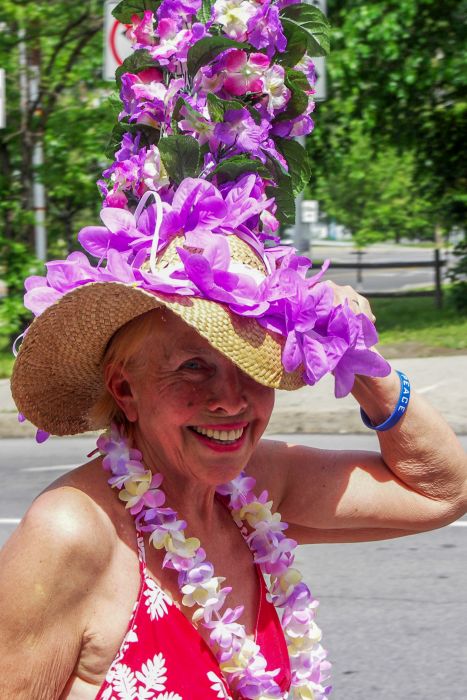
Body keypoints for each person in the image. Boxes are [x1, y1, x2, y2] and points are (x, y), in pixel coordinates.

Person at [1, 1, 466, 698]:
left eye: (252, 361)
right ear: (123, 388)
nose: (230, 398)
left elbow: (440, 492)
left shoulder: (255, 490)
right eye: (192, 365)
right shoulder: (75, 532)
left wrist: (361, 363)